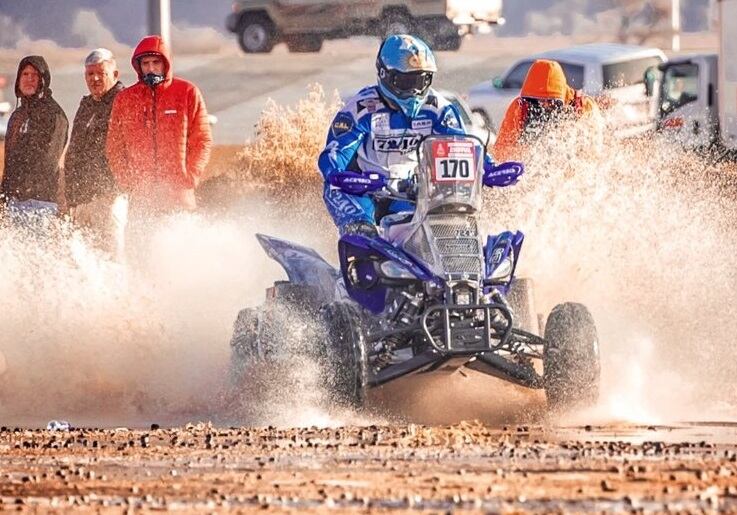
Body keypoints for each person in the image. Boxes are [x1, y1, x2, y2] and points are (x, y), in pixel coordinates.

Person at [318, 34, 498, 237]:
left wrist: (489, 168)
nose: (415, 90)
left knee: (440, 226)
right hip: (362, 191)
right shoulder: (360, 109)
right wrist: (340, 175)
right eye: (407, 81)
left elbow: (463, 147)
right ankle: (354, 265)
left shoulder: (439, 109)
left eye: (423, 80)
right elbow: (333, 153)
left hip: (411, 193)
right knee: (360, 231)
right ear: (385, 74)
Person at [106, 35, 212, 213]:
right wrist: (127, 180)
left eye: (156, 62)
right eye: (145, 64)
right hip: (141, 198)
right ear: (138, 66)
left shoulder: (187, 92)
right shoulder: (125, 99)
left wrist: (190, 176)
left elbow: (202, 140)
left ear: (166, 63)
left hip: (179, 197)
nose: (151, 69)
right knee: (139, 241)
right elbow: (114, 146)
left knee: (180, 241)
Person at [493, 59, 604, 163]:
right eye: (539, 100)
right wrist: (527, 154)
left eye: (551, 102)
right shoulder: (520, 108)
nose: (545, 105)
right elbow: (501, 151)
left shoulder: (584, 106)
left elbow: (594, 153)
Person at [64, 48, 124, 229]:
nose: (95, 79)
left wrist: (114, 190)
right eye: (90, 73)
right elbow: (74, 149)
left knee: (112, 254)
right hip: (82, 198)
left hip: (110, 197)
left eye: (101, 73)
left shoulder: (124, 101)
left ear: (114, 74)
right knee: (84, 255)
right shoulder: (86, 105)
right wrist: (71, 196)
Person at [1, 56, 68, 214]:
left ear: (43, 80)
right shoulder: (17, 116)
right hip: (14, 201)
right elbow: (9, 161)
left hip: (41, 202)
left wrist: (26, 188)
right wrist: (4, 195)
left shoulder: (54, 114)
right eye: (25, 74)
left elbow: (49, 161)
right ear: (18, 79)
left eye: (35, 75)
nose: (29, 79)